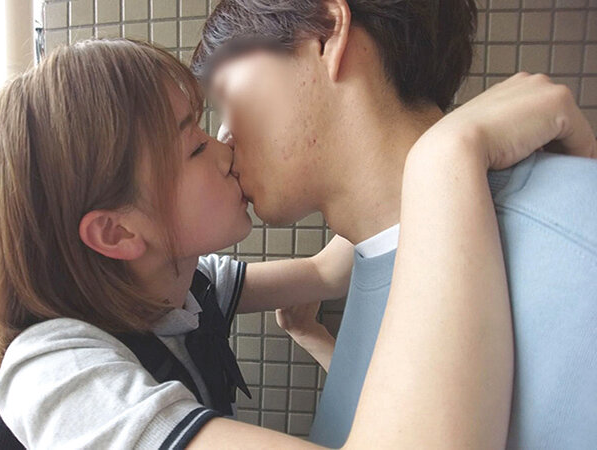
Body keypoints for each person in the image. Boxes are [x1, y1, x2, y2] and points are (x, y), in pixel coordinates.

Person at [0, 38, 594, 448]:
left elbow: (328, 270)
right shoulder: (55, 378)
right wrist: (448, 154)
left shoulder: (189, 284)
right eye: (195, 144)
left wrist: (395, 150)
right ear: (118, 231)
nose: (227, 144)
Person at [192, 0, 597, 448]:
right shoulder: (371, 252)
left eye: (225, 93)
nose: (224, 136)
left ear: (326, 35)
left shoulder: (583, 247)